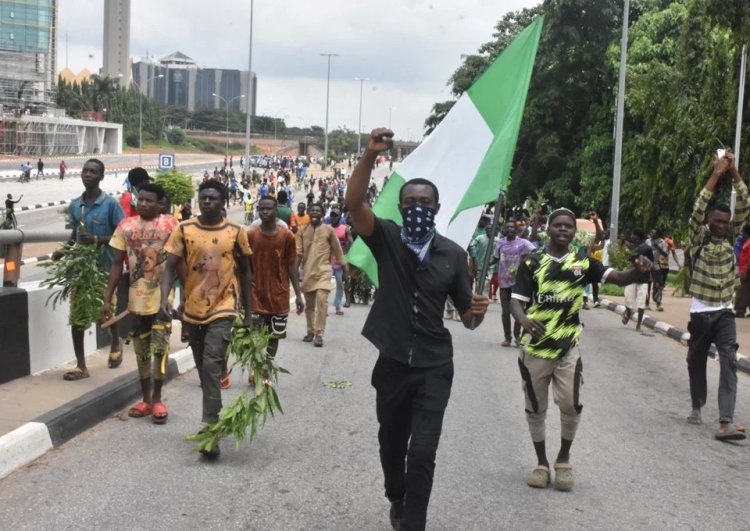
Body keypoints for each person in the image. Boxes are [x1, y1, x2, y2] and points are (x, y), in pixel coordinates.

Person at [345, 128, 489, 531]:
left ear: (438, 207)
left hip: (434, 367)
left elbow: (467, 317)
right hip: (392, 364)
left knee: (422, 452)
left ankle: (413, 523)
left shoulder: (453, 255)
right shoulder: (386, 237)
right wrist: (370, 156)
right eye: (410, 202)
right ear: (400, 206)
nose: (417, 208)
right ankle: (396, 494)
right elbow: (353, 203)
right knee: (391, 446)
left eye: (424, 202)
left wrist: (477, 310)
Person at [510, 207, 649, 491]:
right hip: (536, 348)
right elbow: (516, 300)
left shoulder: (583, 262)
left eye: (568, 226)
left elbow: (618, 278)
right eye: (558, 225)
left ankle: (563, 459)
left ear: (574, 232)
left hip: (567, 348)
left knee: (571, 405)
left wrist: (637, 271)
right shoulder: (532, 261)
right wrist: (523, 319)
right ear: (549, 229)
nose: (563, 230)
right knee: (535, 407)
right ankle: (540, 463)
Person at [159, 180, 253, 456]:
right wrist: (166, 298)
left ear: (223, 202)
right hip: (193, 308)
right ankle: (212, 413)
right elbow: (169, 269)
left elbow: (246, 272)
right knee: (203, 367)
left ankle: (210, 427)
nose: (207, 202)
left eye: (213, 198)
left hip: (224, 306)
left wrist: (249, 311)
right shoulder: (184, 229)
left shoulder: (236, 232)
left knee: (211, 364)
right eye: (204, 197)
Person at [102, 183, 178, 423]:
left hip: (162, 299)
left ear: (161, 204)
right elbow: (117, 264)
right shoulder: (125, 226)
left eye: (149, 200)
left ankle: (157, 399)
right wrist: (107, 299)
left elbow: (180, 262)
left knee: (160, 348)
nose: (143, 204)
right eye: (141, 199)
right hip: (136, 300)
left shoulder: (171, 225)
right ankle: (145, 399)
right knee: (141, 350)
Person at [685, 150, 748, 440]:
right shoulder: (699, 236)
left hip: (724, 311)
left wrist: (734, 171)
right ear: (710, 221)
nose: (722, 226)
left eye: (726, 222)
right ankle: (697, 404)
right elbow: (698, 208)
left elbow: (746, 202)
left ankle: (725, 421)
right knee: (696, 360)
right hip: (700, 311)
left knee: (729, 361)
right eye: (718, 221)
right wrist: (716, 173)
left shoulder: (733, 237)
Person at [60, 159, 125, 380]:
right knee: (77, 315)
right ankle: (81, 366)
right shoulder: (75, 205)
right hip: (82, 268)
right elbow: (74, 235)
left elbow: (122, 236)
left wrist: (98, 238)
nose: (87, 174)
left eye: (93, 171)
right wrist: (65, 251)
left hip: (105, 268)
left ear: (101, 177)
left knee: (105, 311)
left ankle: (116, 341)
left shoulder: (111, 205)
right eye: (85, 171)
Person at [246, 196, 304, 363]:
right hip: (255, 294)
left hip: (279, 295)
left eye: (268, 208)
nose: (265, 212)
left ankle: (266, 367)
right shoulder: (251, 235)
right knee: (255, 336)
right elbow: (245, 268)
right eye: (261, 208)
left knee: (274, 336)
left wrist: (298, 295)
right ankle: (256, 368)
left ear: (275, 211)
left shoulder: (286, 236)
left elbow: (292, 266)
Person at [296, 203, 343, 347]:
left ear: (322, 214)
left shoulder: (328, 230)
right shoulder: (301, 231)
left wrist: (345, 265)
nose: (315, 212)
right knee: (309, 306)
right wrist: (292, 272)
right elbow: (298, 254)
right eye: (312, 210)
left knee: (322, 301)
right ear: (309, 213)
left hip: (324, 271)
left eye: (318, 210)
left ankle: (319, 334)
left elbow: (337, 249)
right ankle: (310, 331)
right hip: (308, 272)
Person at [492, 220, 536, 346]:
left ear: (516, 230)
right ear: (504, 230)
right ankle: (507, 338)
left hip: (518, 283)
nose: (510, 229)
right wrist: (484, 266)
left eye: (513, 227)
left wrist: (526, 260)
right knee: (505, 312)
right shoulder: (500, 243)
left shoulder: (523, 243)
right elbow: (495, 258)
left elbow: (535, 252)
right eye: (508, 227)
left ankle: (517, 337)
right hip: (504, 282)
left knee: (518, 311)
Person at [621, 229, 654, 332]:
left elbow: (651, 264)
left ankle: (638, 325)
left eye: (633, 234)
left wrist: (654, 279)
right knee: (628, 298)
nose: (631, 236)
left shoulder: (647, 249)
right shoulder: (631, 247)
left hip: (643, 278)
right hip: (631, 277)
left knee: (641, 302)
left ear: (638, 236)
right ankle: (628, 312)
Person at [328, 204, 353, 312]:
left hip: (340, 261)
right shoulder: (326, 228)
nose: (334, 217)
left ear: (340, 217)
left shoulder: (345, 229)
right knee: (324, 285)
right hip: (327, 261)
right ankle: (323, 308)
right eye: (332, 215)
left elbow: (351, 243)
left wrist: (347, 256)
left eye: (336, 215)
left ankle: (339, 305)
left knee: (341, 283)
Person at [735, 225, 750, 318]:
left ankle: (740, 311)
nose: (742, 234)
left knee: (742, 291)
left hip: (746, 271)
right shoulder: (746, 242)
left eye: (743, 232)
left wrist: (745, 271)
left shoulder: (748, 243)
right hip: (745, 270)